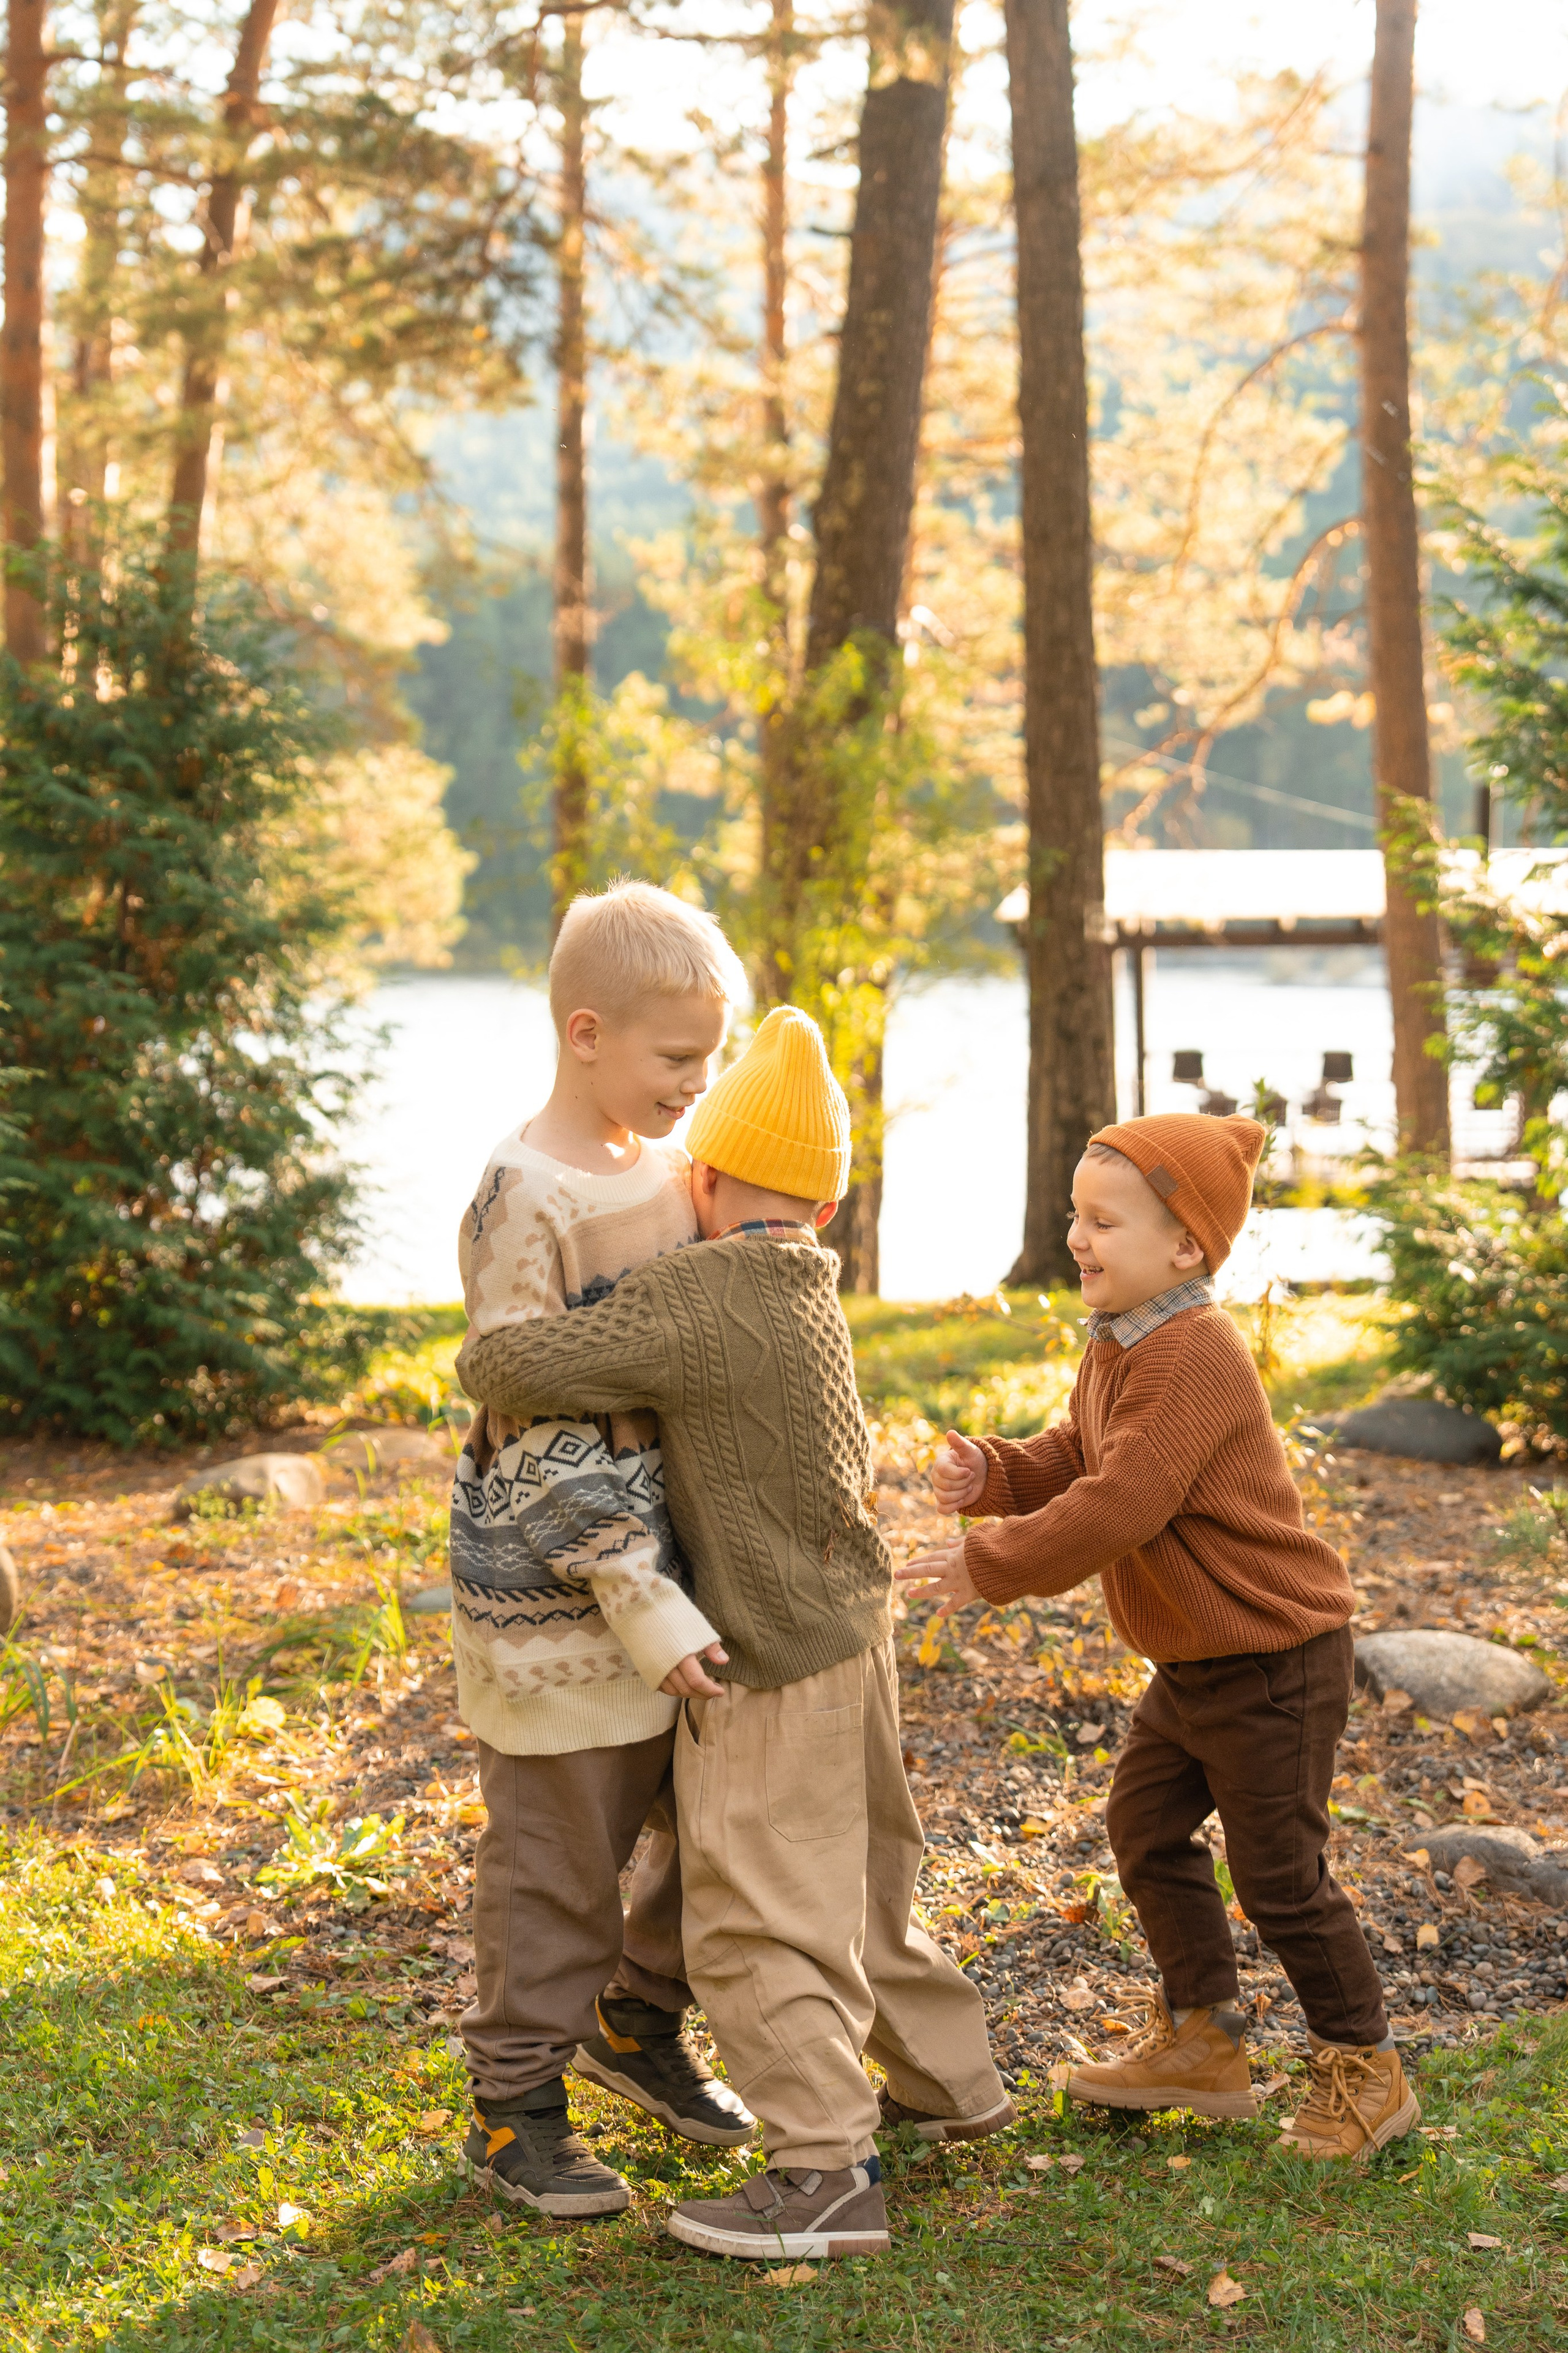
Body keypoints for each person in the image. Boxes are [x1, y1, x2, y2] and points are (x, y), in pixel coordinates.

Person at [457, 1005, 1012, 2263]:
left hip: (764, 1651)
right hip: (853, 1630)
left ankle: (821, 2168)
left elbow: (511, 1369)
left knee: (753, 1908)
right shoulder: (811, 1286)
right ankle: (956, 2082)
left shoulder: (696, 1294)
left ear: (700, 1179)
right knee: (865, 1880)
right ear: (822, 1210)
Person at [902, 1112, 1420, 2165]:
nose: (1079, 1238)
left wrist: (992, 1563)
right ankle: (1205, 2040)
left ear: (1187, 1245)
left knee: (1281, 1878)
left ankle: (1367, 2070)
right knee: (1146, 1827)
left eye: (1104, 1221)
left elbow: (1123, 1500)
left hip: (1272, 1657)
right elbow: (1081, 1453)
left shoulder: (1193, 1351)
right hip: (1197, 1661)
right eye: (1074, 1217)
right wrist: (996, 1475)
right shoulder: (1125, 1337)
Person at [452, 880, 756, 2223]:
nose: (700, 1082)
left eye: (710, 1056)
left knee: (725, 1830)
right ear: (587, 1032)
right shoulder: (524, 1197)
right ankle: (514, 2107)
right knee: (558, 1862)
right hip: (565, 1613)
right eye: (676, 1058)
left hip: (684, 1594)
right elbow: (528, 1430)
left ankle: (638, 2022)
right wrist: (638, 1595)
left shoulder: (668, 1179)